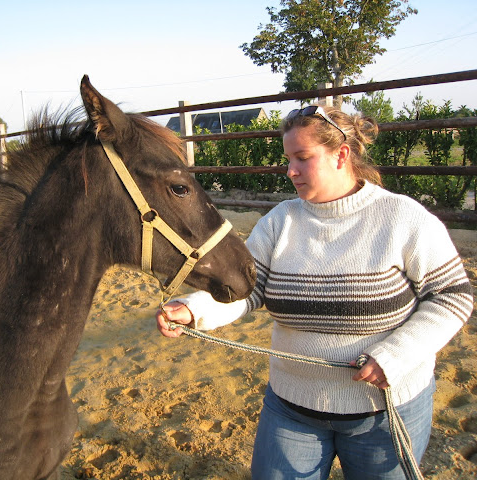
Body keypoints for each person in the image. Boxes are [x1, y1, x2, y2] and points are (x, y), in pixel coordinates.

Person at [156, 105, 474, 479]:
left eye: (302, 158)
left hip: (384, 412)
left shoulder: (404, 218)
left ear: (341, 155)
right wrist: (193, 309)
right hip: (291, 407)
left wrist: (397, 354)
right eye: (288, 159)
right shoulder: (279, 222)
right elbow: (249, 289)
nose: (290, 171)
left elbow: (452, 295)